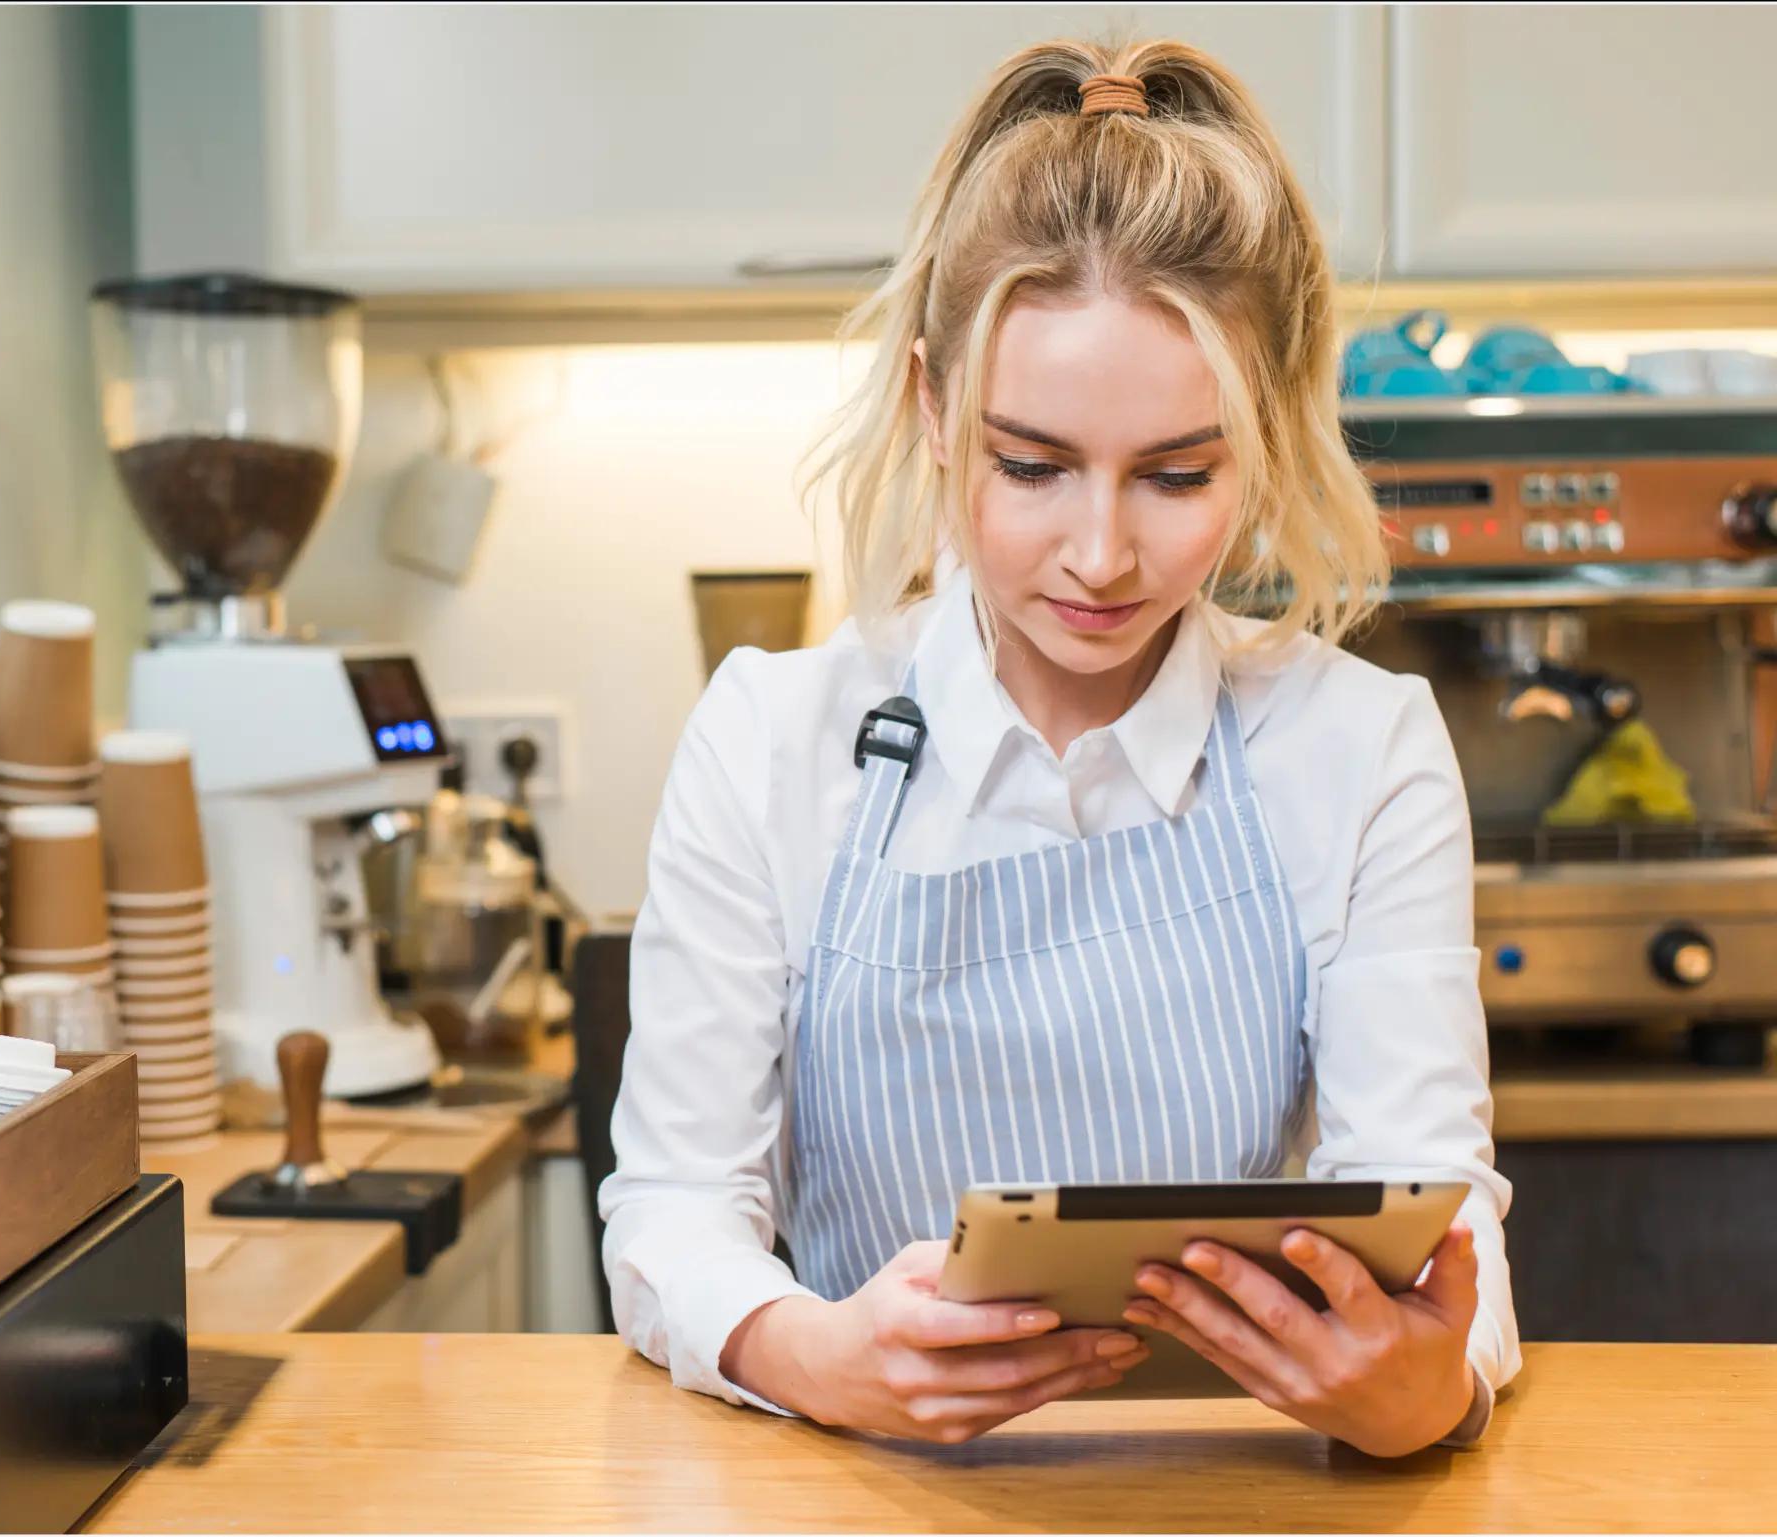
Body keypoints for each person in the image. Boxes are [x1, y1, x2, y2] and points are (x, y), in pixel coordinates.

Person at [598, 36, 1521, 1457]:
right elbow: (668, 1211)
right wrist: (817, 1353)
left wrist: (1427, 1389)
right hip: (863, 1486)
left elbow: (1438, 1214)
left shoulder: (1361, 746)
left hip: (1221, 1485)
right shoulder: (773, 739)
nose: (1100, 554)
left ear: (1263, 438)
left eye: (1177, 472)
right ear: (931, 408)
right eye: (1030, 464)